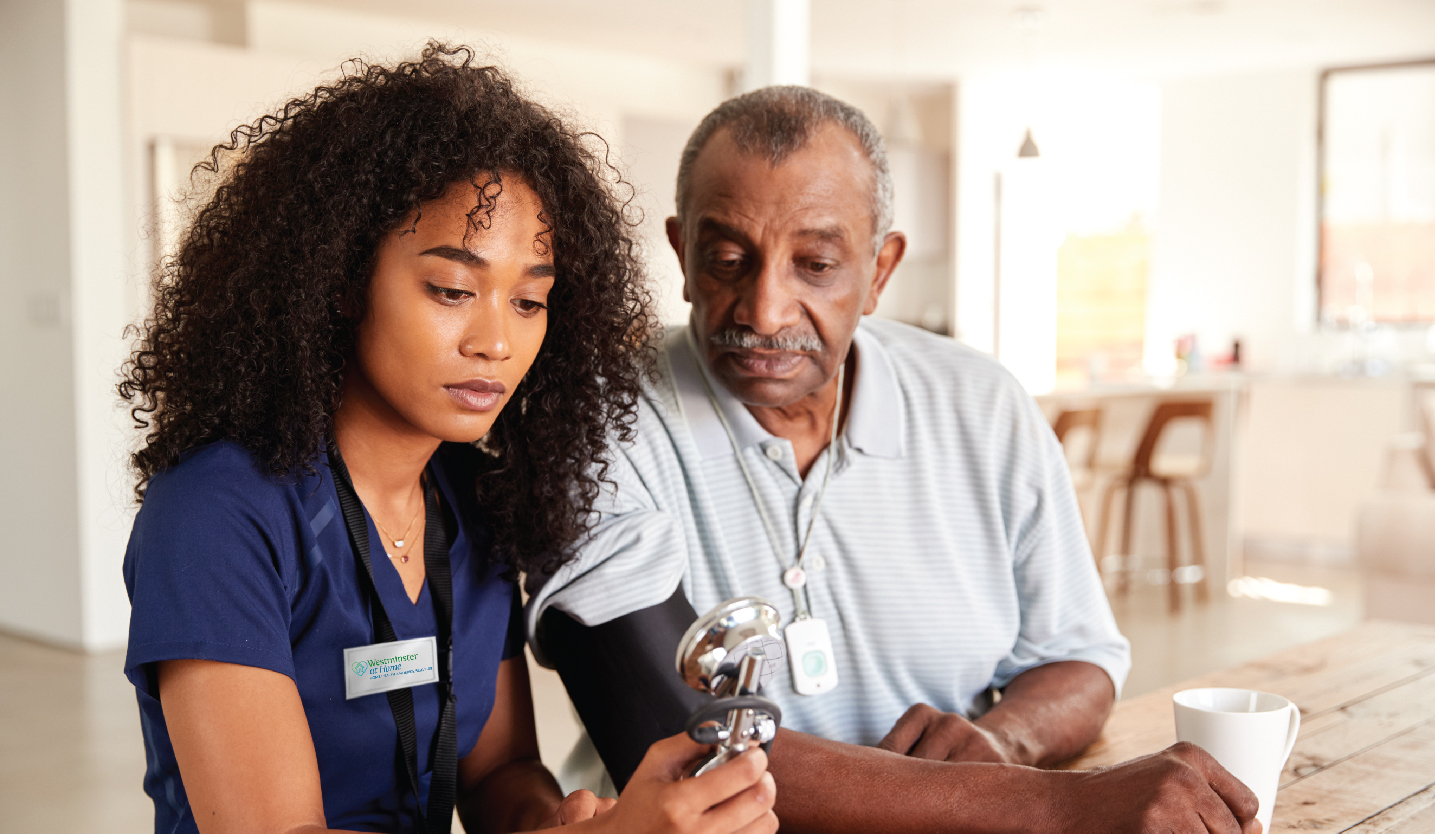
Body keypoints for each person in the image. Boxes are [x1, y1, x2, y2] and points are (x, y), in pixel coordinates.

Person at [527, 86, 1262, 833]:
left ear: (880, 270)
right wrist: (1051, 805)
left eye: (814, 265)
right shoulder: (591, 421)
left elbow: (1077, 660)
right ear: (682, 253)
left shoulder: (984, 405)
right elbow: (676, 740)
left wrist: (1001, 743)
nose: (764, 309)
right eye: (725, 259)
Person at [118, 45, 777, 834]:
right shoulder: (216, 513)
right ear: (336, 281)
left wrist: (567, 822)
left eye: (529, 302)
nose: (495, 341)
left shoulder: (471, 502)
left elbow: (499, 774)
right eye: (452, 290)